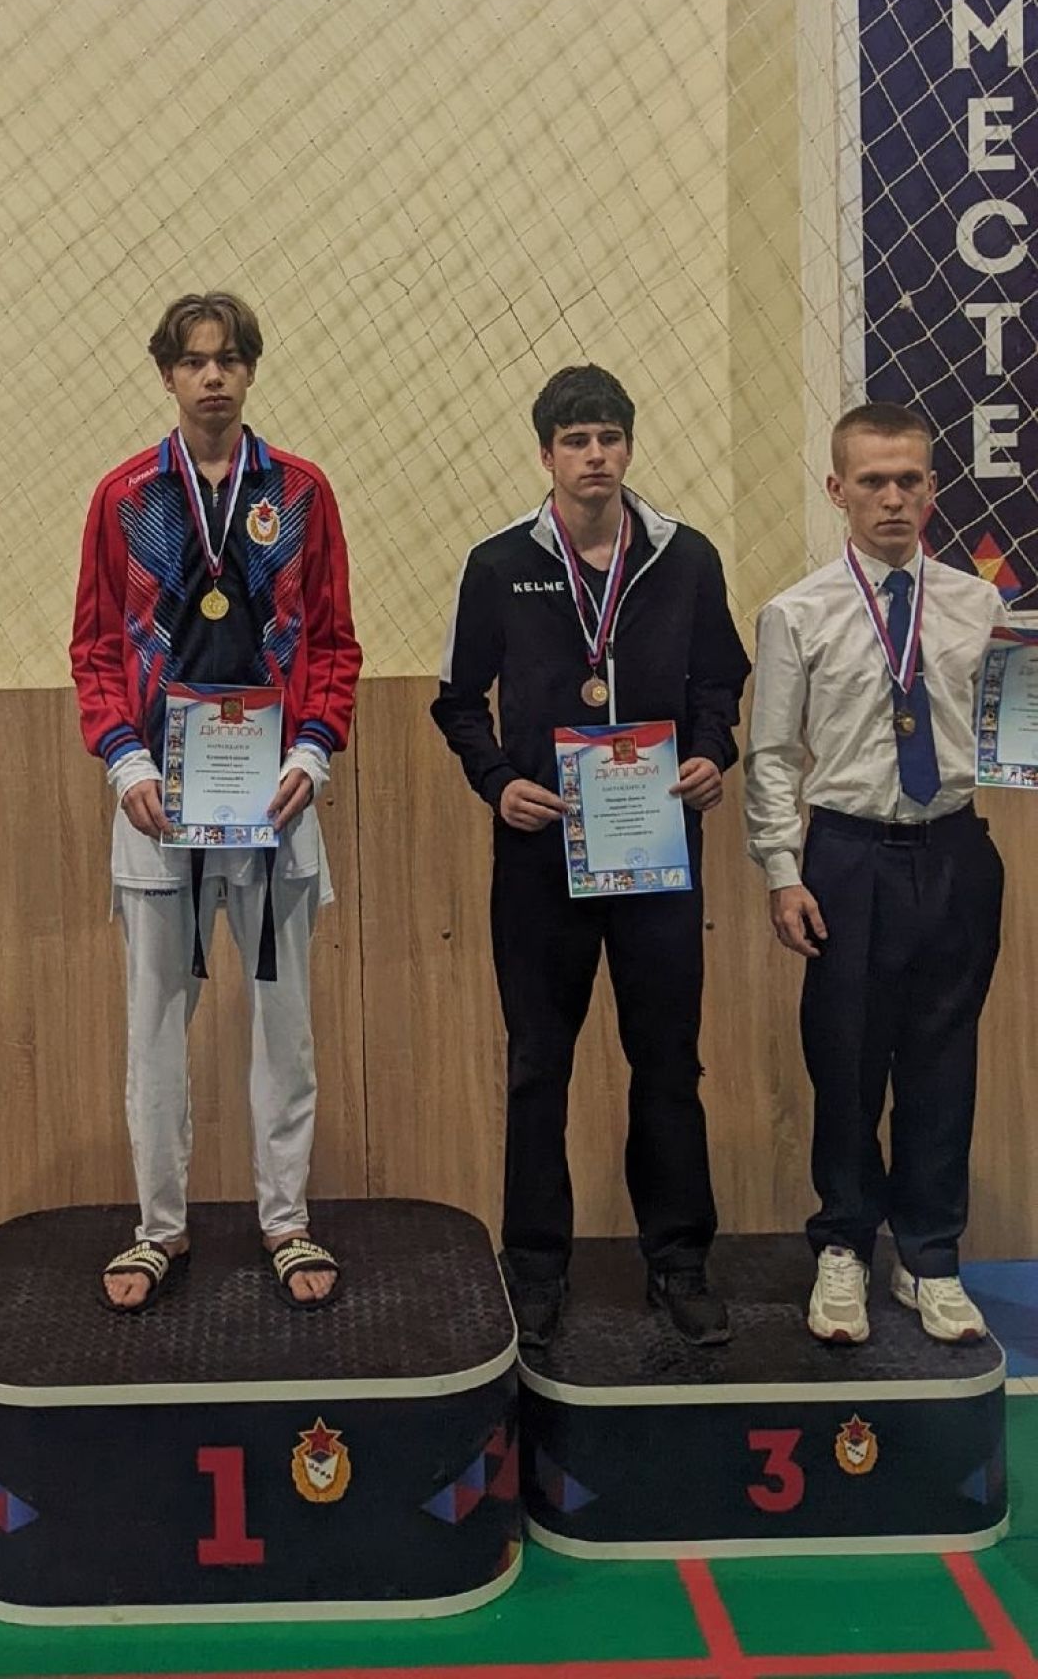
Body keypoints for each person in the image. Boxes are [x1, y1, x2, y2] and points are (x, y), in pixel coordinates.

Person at [432, 365, 750, 1349]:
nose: (595, 455)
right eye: (575, 440)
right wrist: (497, 781)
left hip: (657, 849)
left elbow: (720, 681)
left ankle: (680, 1260)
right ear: (546, 455)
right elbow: (457, 701)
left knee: (668, 1061)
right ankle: (534, 1266)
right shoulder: (497, 565)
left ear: (629, 446)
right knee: (538, 1063)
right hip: (541, 852)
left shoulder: (685, 557)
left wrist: (712, 753)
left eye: (609, 436)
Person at [71, 292, 362, 1312]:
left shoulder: (302, 492)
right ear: (167, 374)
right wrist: (124, 761)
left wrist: (315, 749)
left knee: (285, 1026)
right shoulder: (123, 497)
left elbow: (333, 641)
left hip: (274, 798)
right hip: (159, 800)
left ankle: (286, 1218)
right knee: (155, 1028)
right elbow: (95, 648)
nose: (212, 377)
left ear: (249, 371)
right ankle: (158, 1226)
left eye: (229, 359)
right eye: (194, 361)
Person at [744, 402, 1003, 1345]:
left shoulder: (980, 609)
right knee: (847, 1061)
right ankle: (846, 1246)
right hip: (847, 857)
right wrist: (783, 870)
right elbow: (773, 755)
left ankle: (930, 1257)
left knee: (943, 1061)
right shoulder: (798, 613)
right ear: (837, 490)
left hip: (955, 851)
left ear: (933, 488)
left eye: (908, 481)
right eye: (872, 481)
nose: (892, 498)